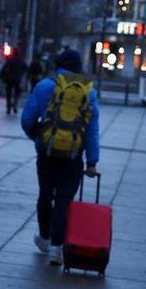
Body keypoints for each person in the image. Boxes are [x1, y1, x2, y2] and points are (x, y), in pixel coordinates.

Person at [21, 49, 100, 265]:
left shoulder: (46, 85)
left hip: (46, 153)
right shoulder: (88, 92)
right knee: (64, 199)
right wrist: (92, 161)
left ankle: (45, 238)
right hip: (73, 156)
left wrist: (39, 138)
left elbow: (27, 118)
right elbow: (92, 130)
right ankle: (57, 247)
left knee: (45, 194)